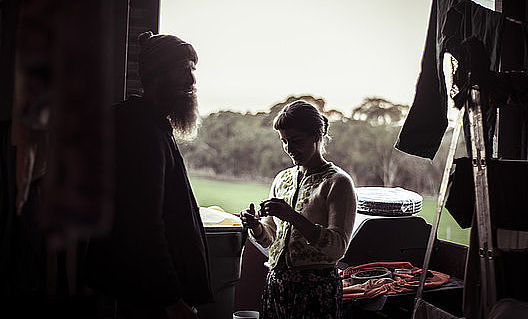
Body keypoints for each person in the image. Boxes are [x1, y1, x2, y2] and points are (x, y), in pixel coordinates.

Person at [85, 32, 212, 318]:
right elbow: (143, 226)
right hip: (145, 297)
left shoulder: (151, 126)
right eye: (183, 70)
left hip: (146, 291)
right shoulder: (141, 132)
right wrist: (171, 300)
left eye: (193, 70)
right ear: (157, 76)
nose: (192, 82)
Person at [240, 100, 357, 319]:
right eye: (284, 141)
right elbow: (270, 239)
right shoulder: (282, 179)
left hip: (316, 290)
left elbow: (337, 248)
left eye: (296, 141)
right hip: (277, 285)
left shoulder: (338, 183)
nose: (289, 149)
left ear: (316, 136)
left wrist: (292, 217)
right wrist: (256, 226)